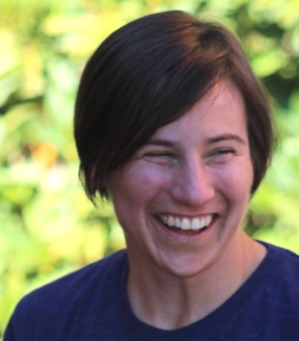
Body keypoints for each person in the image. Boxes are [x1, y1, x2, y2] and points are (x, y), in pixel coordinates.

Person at [4, 10, 299, 341]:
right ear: (98, 165)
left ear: (255, 157)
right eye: (159, 155)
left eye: (220, 152)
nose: (195, 191)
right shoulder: (43, 326)